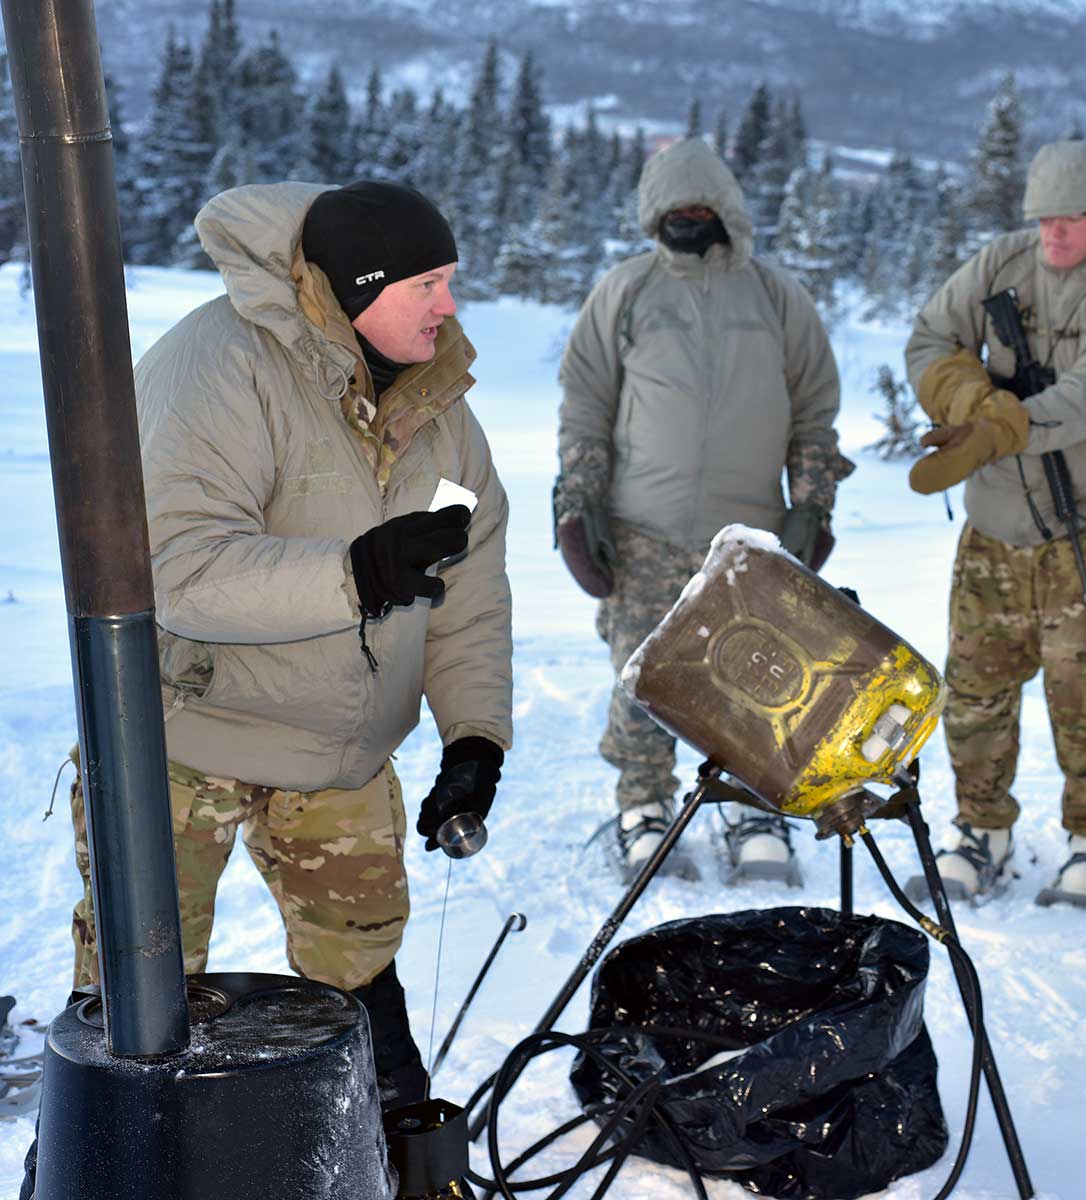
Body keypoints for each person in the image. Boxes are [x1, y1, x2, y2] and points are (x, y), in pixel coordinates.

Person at [66, 180, 514, 1106]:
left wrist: (475, 740)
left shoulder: (441, 411)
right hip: (179, 743)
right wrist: (356, 573)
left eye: (451, 280)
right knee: (134, 998)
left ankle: (384, 1144)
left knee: (361, 977)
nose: (450, 304)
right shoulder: (219, 364)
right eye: (428, 282)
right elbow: (177, 566)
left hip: (338, 757)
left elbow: (466, 591)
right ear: (360, 287)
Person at [554, 137, 848, 882]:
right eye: (673, 206)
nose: (688, 216)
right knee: (643, 674)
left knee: (759, 675)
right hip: (639, 529)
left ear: (726, 208)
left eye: (701, 203)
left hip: (748, 535)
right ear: (654, 213)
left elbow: (815, 409)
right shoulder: (624, 291)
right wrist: (577, 505)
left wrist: (812, 506)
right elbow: (585, 407)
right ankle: (643, 807)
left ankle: (753, 804)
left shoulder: (777, 298)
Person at [903, 138, 1086, 909]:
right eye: (1044, 217)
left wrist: (999, 428)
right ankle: (980, 831)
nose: (1053, 234)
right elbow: (928, 338)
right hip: (993, 522)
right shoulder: (1002, 264)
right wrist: (967, 400)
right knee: (976, 687)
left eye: (1072, 219)